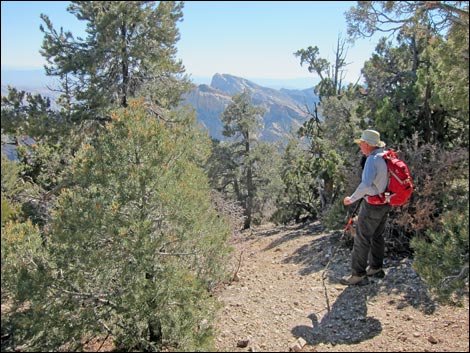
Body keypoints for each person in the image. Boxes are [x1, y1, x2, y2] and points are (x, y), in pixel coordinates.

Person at [341, 129, 391, 286]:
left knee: (362, 238)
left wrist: (352, 198)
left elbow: (366, 184)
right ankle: (376, 267)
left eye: (362, 143)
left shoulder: (371, 160)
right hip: (386, 201)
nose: (360, 146)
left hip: (372, 204)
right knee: (377, 235)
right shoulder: (386, 156)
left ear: (368, 144)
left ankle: (358, 275)